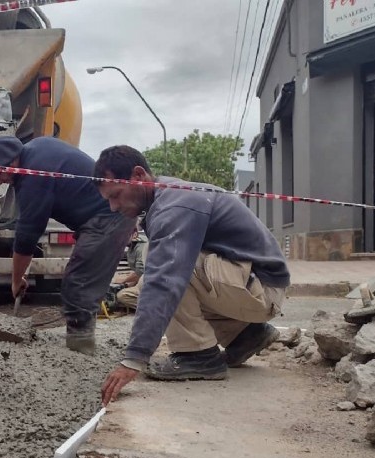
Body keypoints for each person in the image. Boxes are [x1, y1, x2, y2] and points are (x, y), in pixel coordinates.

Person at [94, 146, 289, 406]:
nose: (114, 206)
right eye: (108, 199)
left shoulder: (175, 203)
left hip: (262, 290)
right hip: (254, 285)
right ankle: (245, 336)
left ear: (138, 175)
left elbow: (164, 281)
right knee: (153, 278)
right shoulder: (169, 197)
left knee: (167, 269)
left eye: (116, 195)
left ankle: (198, 357)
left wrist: (134, 358)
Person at [0, 136, 135, 355]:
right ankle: (80, 342)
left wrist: (16, 280)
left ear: (12, 163)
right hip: (105, 215)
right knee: (79, 277)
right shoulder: (37, 148)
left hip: (110, 215)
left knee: (78, 281)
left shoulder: (33, 177)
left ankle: (81, 349)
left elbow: (27, 236)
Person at [111, 227, 148, 311]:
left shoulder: (141, 246)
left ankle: (149, 309)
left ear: (135, 235)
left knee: (121, 296)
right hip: (143, 280)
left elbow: (140, 271)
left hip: (148, 282)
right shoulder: (132, 247)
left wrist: (123, 280)